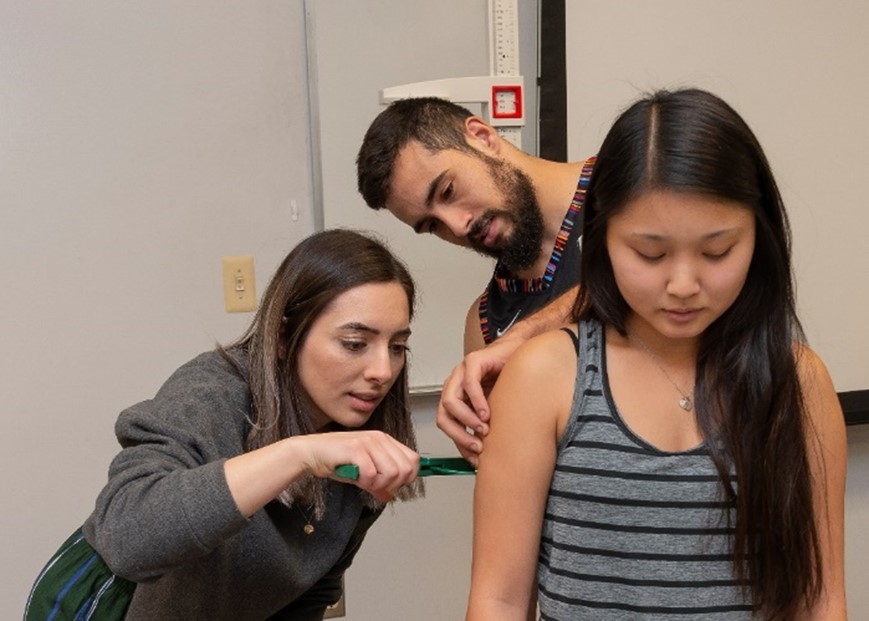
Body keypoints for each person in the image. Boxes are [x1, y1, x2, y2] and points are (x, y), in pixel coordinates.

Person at [465, 89, 847, 620]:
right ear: (600, 237)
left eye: (718, 251)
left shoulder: (797, 382)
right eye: (650, 253)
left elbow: (819, 599)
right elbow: (499, 601)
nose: (684, 284)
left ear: (759, 238)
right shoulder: (546, 376)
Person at [25, 229, 425, 621]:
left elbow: (313, 584)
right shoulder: (211, 391)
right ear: (285, 336)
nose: (383, 370)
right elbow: (127, 538)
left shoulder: (366, 440)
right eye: (355, 344)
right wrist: (299, 454)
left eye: (396, 346)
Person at [357, 97, 595, 464]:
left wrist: (523, 338)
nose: (456, 227)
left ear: (482, 136)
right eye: (432, 225)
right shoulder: (487, 323)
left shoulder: (633, 182)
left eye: (447, 191)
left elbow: (645, 284)